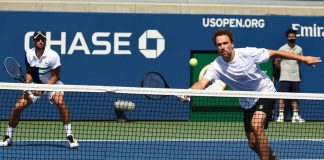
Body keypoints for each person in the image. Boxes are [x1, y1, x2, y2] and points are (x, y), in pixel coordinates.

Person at [181, 29, 320, 159]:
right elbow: (202, 83)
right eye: (219, 45)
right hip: (247, 101)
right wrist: (189, 92)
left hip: (265, 92)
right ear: (216, 47)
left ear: (232, 44)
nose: (222, 47)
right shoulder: (216, 66)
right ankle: (272, 156)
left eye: (225, 43)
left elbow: (274, 53)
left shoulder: (247, 53)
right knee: (253, 143)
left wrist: (304, 59)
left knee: (256, 125)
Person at [0, 30, 79, 148]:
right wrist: (27, 83)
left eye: (42, 39)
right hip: (36, 84)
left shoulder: (53, 55)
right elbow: (29, 73)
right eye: (37, 39)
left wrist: (42, 89)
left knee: (60, 102)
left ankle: (70, 135)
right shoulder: (29, 54)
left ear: (45, 40)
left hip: (53, 84)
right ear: (33, 41)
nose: (40, 41)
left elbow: (56, 76)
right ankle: (8, 136)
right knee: (18, 106)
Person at [274, 29, 305, 123]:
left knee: (295, 97)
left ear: (296, 37)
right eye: (290, 36)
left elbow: (300, 61)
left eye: (293, 36)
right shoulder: (282, 49)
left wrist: (294, 69)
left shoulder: (299, 49)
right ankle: (280, 116)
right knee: (282, 97)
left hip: (296, 77)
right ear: (287, 37)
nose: (291, 38)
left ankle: (295, 116)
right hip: (284, 77)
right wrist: (284, 70)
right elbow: (276, 62)